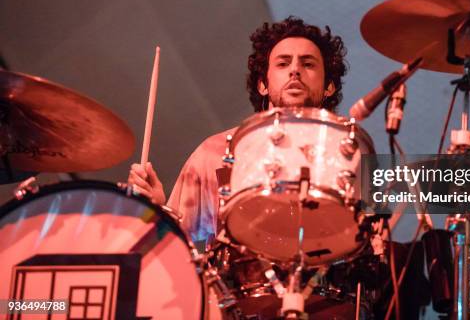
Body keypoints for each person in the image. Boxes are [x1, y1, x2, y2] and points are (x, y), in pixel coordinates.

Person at [128, 16, 348, 244]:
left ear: (329, 86)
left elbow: (382, 241)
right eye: (283, 63)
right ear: (263, 84)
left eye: (308, 63)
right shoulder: (214, 152)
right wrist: (154, 212)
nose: (295, 70)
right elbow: (175, 247)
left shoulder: (359, 154)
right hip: (236, 279)